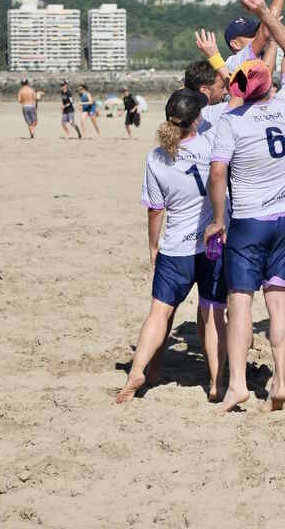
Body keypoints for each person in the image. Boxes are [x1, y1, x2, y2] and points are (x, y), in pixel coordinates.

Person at [204, 0, 285, 413]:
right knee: (278, 300)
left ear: (240, 88)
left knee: (241, 301)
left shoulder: (231, 120)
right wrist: (266, 9)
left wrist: (218, 218)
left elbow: (217, 173)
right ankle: (280, 380)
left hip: (249, 222)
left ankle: (239, 384)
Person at [116, 88, 228, 404]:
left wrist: (153, 245)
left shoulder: (156, 156)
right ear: (197, 120)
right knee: (213, 314)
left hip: (175, 247)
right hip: (211, 245)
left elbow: (155, 209)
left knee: (159, 312)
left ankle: (139, 370)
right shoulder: (210, 146)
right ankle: (217, 381)